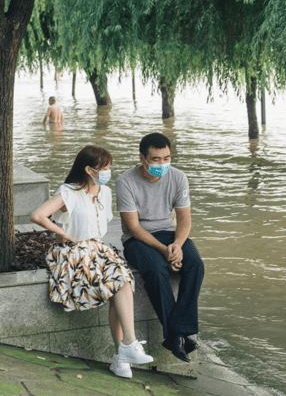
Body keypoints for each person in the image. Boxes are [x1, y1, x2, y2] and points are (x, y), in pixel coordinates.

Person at [30, 146, 154, 379]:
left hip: (97, 249)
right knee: (118, 279)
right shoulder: (69, 192)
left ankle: (123, 352)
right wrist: (63, 232)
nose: (108, 172)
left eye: (109, 167)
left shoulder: (105, 192)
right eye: (104, 168)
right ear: (88, 169)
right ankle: (127, 347)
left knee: (123, 280)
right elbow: (37, 215)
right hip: (72, 251)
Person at [115, 133, 204, 363]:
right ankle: (177, 335)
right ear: (142, 158)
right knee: (156, 270)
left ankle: (177, 334)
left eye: (166, 158)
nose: (162, 164)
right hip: (137, 240)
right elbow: (132, 227)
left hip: (170, 233)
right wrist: (164, 251)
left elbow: (184, 219)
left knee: (195, 265)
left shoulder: (178, 177)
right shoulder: (125, 182)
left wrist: (177, 245)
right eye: (156, 159)